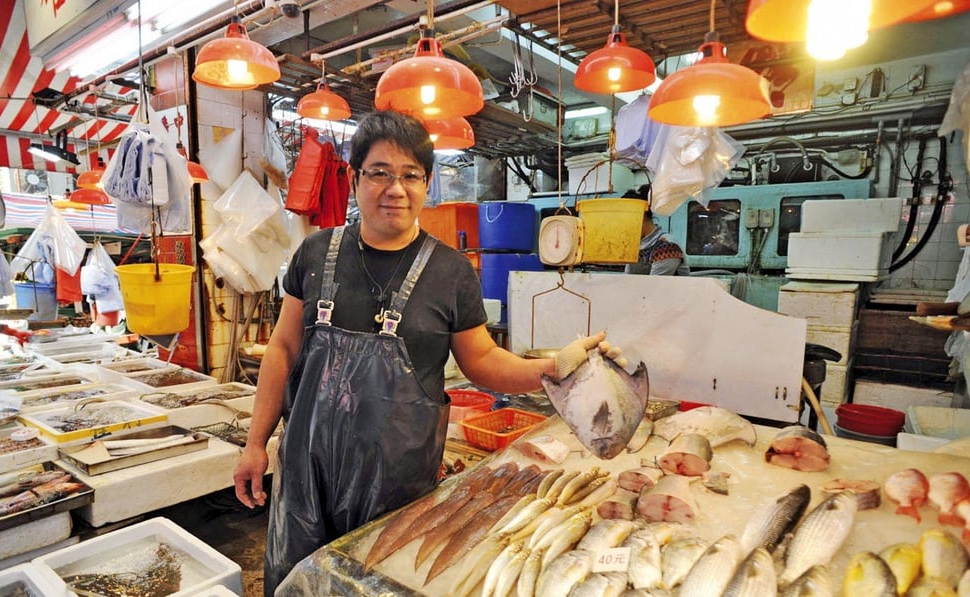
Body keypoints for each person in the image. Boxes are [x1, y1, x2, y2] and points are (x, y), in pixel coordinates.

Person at [233, 110, 627, 594]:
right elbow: (283, 348)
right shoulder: (314, 253)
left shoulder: (450, 272)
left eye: (410, 175)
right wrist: (255, 443)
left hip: (397, 488)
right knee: (296, 585)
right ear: (356, 178)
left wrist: (554, 367)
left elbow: (482, 362)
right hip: (304, 475)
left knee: (380, 584)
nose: (394, 188)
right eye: (379, 172)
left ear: (426, 183)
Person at [624, 187, 690, 276]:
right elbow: (628, 278)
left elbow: (654, 287)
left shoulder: (666, 247)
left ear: (640, 216)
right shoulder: (636, 246)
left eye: (624, 220)